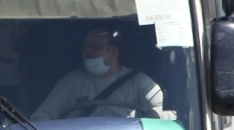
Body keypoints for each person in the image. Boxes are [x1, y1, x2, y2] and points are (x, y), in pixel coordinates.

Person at [31, 27, 164, 121]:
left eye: (96, 47)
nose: (88, 52)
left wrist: (151, 117)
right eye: (86, 47)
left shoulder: (138, 82)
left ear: (113, 51)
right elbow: (41, 116)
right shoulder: (71, 81)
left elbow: (163, 110)